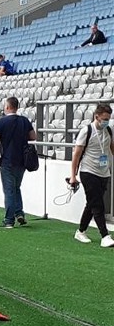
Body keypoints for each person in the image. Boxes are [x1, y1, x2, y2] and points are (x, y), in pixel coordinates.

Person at [0, 97, 36, 228]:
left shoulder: (2, 122)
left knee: (9, 190)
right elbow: (33, 136)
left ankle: (9, 220)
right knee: (16, 188)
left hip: (8, 161)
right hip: (22, 160)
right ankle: (19, 213)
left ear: (8, 107)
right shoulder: (24, 121)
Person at [70, 104, 114, 248]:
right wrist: (73, 176)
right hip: (88, 172)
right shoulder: (86, 131)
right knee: (98, 204)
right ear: (97, 117)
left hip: (104, 172)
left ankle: (81, 231)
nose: (106, 121)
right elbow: (76, 155)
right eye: (104, 118)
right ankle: (105, 235)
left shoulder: (108, 130)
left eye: (108, 118)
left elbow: (112, 148)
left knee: (92, 203)